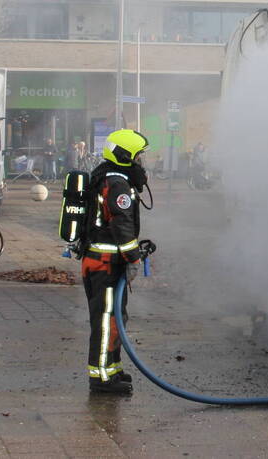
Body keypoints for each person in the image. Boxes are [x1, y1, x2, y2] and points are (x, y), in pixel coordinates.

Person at [83, 129, 151, 394]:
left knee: (114, 318)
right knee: (106, 320)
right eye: (138, 156)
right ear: (126, 156)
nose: (141, 162)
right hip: (106, 263)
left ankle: (111, 369)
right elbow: (121, 225)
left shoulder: (110, 177)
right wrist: (133, 257)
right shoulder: (118, 184)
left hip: (104, 260)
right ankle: (101, 378)